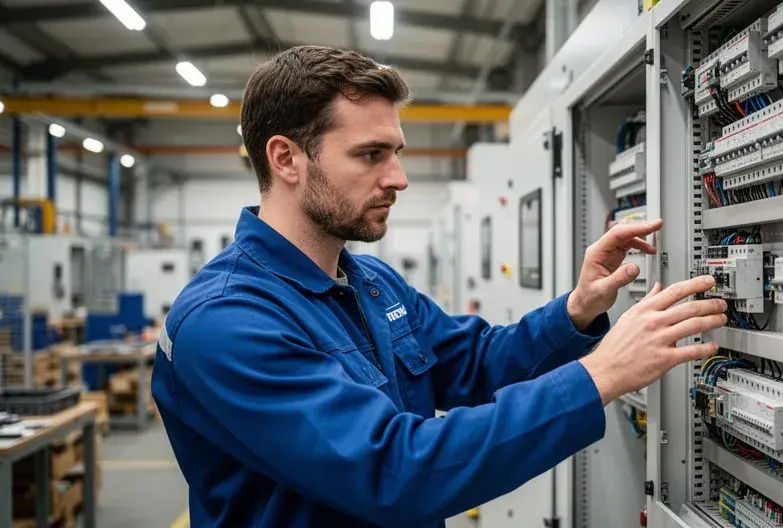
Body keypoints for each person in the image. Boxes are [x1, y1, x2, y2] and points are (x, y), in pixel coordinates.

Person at [150, 45, 728, 528]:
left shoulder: (368, 281)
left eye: (396, 153)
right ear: (286, 159)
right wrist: (600, 376)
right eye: (371, 155)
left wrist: (576, 312)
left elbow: (473, 363)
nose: (398, 178)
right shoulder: (227, 321)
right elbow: (393, 472)